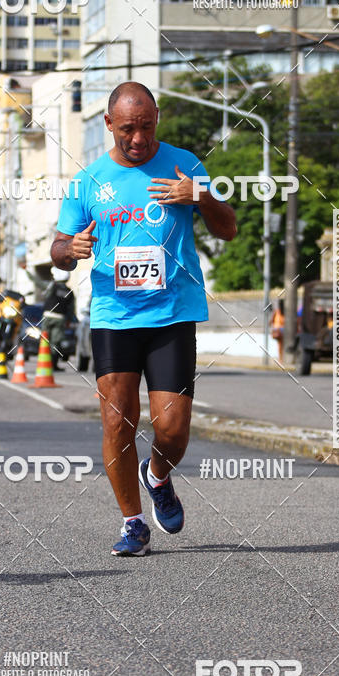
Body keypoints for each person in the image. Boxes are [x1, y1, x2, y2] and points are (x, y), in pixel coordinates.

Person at [51, 81, 237, 556]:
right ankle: (132, 523)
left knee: (172, 429)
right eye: (128, 130)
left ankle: (156, 476)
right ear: (109, 125)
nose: (138, 139)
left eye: (147, 127)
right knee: (118, 423)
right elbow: (58, 250)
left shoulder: (184, 164)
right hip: (114, 315)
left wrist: (199, 196)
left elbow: (229, 229)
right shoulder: (87, 181)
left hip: (172, 313)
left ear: (158, 119)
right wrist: (69, 250)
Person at [41, 268, 77, 370]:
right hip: (60, 318)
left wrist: (28, 272)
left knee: (44, 340)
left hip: (47, 316)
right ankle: (53, 365)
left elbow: (39, 284)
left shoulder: (52, 286)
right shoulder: (69, 292)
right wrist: (70, 320)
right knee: (56, 343)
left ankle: (43, 363)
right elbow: (71, 309)